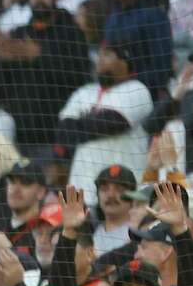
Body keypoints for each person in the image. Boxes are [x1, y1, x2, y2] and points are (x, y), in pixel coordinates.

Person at [56, 42, 152, 201]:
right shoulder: (85, 91)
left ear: (125, 62)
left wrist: (80, 123)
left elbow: (113, 123)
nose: (99, 59)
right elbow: (64, 132)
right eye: (99, 54)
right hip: (82, 189)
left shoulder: (137, 88)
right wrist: (93, 122)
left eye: (107, 55)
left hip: (122, 189)